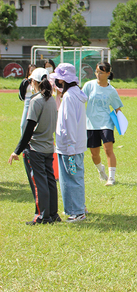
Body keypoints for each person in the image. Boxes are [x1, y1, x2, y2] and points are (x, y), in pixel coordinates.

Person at [8, 68, 59, 225]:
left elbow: (29, 130)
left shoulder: (36, 101)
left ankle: (42, 216)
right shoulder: (51, 99)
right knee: (50, 180)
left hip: (35, 148)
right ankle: (52, 214)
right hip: (48, 146)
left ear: (34, 83)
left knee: (39, 182)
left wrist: (16, 150)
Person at [50, 63, 88, 222]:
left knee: (70, 178)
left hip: (69, 147)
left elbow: (69, 122)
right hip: (74, 145)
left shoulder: (69, 97)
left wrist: (70, 145)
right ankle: (77, 207)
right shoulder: (76, 94)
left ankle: (77, 211)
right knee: (74, 176)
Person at [82, 62, 124, 186]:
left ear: (108, 74)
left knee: (108, 149)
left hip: (106, 123)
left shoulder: (111, 91)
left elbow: (117, 108)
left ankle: (111, 178)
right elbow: (80, 100)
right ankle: (101, 170)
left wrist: (121, 124)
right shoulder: (89, 85)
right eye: (97, 72)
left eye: (101, 72)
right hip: (90, 123)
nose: (98, 75)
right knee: (94, 154)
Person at [18, 64, 37, 135]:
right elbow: (21, 94)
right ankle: (24, 142)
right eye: (31, 70)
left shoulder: (38, 82)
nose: (33, 72)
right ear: (28, 71)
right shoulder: (25, 81)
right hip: (27, 103)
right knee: (23, 125)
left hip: (36, 103)